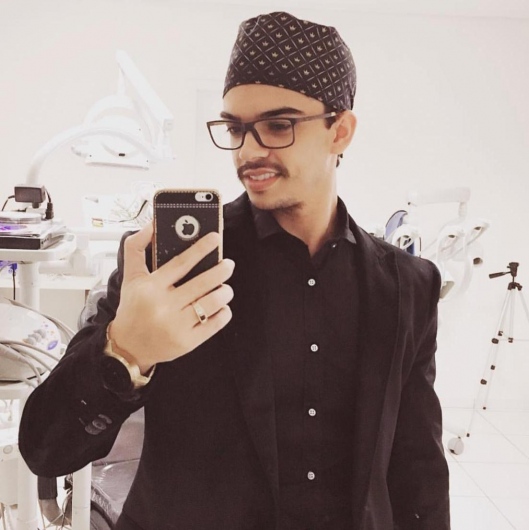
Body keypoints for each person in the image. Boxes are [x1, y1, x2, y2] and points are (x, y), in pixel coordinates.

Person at [19, 11, 450, 530]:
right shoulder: (169, 265)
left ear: (340, 131)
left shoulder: (406, 286)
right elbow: (46, 449)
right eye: (235, 128)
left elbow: (418, 470)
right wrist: (125, 352)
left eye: (277, 126)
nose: (249, 151)